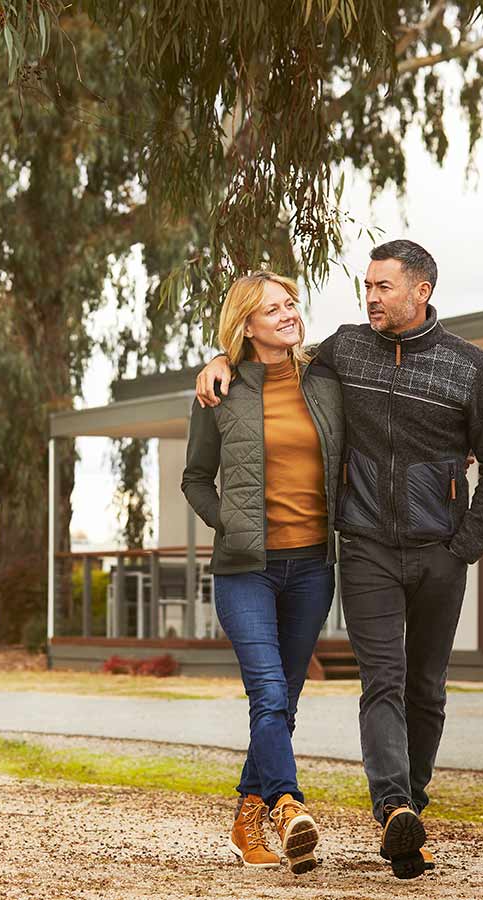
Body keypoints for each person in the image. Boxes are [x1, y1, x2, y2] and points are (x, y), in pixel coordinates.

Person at [194, 240, 483, 879]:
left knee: (426, 689)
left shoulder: (470, 368)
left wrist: (465, 548)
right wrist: (214, 360)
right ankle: (385, 802)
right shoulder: (347, 348)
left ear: (421, 291)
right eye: (365, 285)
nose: (369, 297)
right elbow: (262, 361)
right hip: (365, 548)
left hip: (439, 554)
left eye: (383, 287)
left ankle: (408, 816)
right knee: (382, 681)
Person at [181, 271, 346, 875]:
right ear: (246, 324)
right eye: (272, 309)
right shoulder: (220, 390)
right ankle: (286, 804)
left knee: (284, 703)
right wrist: (232, 523)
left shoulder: (324, 380)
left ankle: (247, 815)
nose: (288, 315)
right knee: (269, 693)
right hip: (245, 569)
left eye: (291, 304)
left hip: (311, 567)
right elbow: (194, 478)